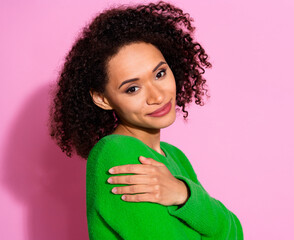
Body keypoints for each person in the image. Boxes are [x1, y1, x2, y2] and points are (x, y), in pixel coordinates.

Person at [49, 1, 243, 239]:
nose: (158, 96)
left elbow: (235, 231)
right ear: (102, 99)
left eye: (160, 74)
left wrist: (184, 193)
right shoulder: (115, 152)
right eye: (133, 89)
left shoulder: (176, 157)